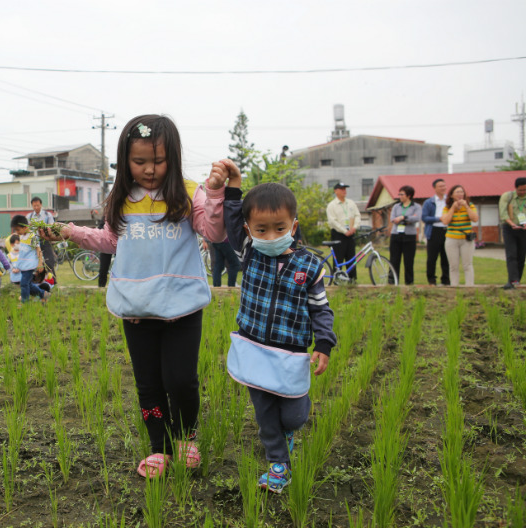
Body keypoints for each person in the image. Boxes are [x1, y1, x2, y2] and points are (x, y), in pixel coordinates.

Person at [38, 115, 228, 478]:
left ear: (173, 156)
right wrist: (68, 231)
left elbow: (214, 233)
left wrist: (217, 193)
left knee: (181, 380)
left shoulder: (189, 193)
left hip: (181, 308)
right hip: (137, 310)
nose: (149, 170)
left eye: (158, 161)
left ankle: (186, 436)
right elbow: (110, 240)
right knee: (149, 385)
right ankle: (160, 448)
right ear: (126, 161)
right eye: (139, 162)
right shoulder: (122, 197)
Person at [223, 180, 336, 493]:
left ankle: (288, 433)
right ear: (249, 231)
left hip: (291, 351)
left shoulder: (309, 266)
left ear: (293, 226)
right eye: (260, 229)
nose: (269, 236)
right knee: (265, 412)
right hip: (254, 347)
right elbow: (232, 222)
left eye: (278, 228)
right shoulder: (250, 254)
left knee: (294, 415)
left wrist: (324, 342)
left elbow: (321, 310)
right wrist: (233, 189)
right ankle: (278, 463)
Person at [441, 184, 478, 287]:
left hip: (466, 239)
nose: (460, 194)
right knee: (453, 265)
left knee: (467, 264)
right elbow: (445, 221)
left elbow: (475, 218)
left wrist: (466, 206)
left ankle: (470, 286)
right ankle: (454, 286)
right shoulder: (447, 207)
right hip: (451, 239)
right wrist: (453, 208)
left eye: (462, 192)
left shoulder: (470, 205)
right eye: (457, 192)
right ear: (452, 195)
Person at [326, 183, 361, 281]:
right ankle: (337, 280)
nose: (344, 191)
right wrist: (344, 231)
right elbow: (332, 221)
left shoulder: (351, 203)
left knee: (351, 257)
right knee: (338, 258)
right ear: (335, 191)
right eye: (341, 189)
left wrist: (354, 227)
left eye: (345, 189)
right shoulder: (332, 205)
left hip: (351, 233)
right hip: (338, 234)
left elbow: (357, 215)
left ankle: (352, 280)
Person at [389, 185, 422, 285]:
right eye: (399, 194)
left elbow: (416, 218)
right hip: (396, 234)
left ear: (409, 195)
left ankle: (409, 282)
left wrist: (403, 217)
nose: (400, 196)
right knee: (394, 260)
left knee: (408, 261)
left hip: (409, 236)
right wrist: (407, 219)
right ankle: (393, 281)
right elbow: (393, 219)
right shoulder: (396, 206)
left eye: (402, 194)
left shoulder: (416, 207)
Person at [421, 178, 451, 286]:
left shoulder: (450, 201)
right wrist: (439, 219)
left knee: (446, 257)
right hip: (434, 231)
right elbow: (424, 218)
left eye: (444, 185)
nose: (443, 188)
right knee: (432, 258)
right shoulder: (429, 202)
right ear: (434, 188)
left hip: (448, 231)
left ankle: (446, 279)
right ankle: (431, 280)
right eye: (440, 186)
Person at [499, 177, 526, 289]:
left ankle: (516, 282)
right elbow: (503, 213)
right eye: (520, 190)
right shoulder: (507, 196)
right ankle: (512, 281)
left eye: (525, 190)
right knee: (511, 255)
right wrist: (512, 224)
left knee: (521, 256)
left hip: (524, 230)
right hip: (510, 228)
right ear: (515, 188)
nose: (523, 192)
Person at [28, 197, 58, 279]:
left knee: (49, 263)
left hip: (45, 241)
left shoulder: (47, 215)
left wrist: (44, 228)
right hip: (33, 243)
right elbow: (26, 230)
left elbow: (53, 228)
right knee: (35, 263)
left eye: (37, 205)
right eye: (34, 206)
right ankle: (37, 283)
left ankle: (52, 282)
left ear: (41, 204)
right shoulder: (29, 216)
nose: (36, 207)